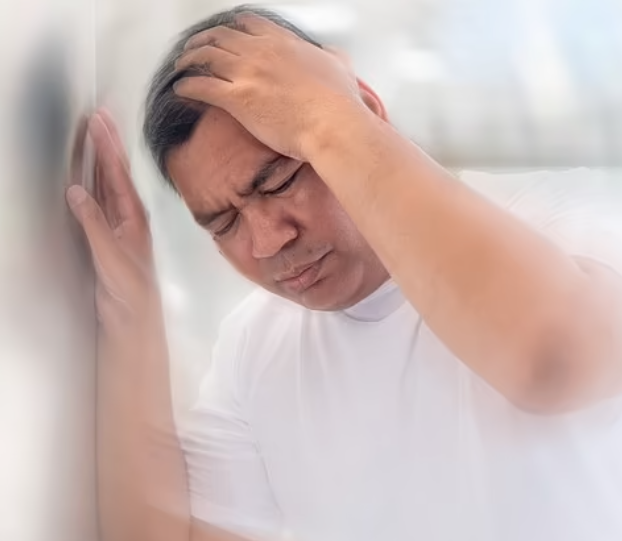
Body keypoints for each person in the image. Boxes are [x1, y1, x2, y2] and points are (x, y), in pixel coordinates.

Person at [66, 5, 622, 541]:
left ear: (365, 112)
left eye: (280, 181)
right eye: (224, 223)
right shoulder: (254, 347)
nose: (267, 241)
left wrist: (332, 116)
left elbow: (554, 361)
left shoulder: (560, 222)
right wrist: (135, 316)